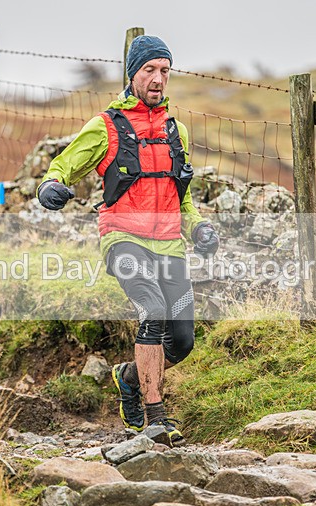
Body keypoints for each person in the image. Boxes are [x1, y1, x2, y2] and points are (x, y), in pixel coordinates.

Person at [36, 35, 219, 446]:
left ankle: (128, 376)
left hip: (169, 244)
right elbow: (63, 166)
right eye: (149, 70)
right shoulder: (106, 126)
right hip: (122, 238)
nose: (158, 79)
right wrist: (50, 186)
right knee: (152, 310)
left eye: (165, 71)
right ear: (132, 73)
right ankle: (155, 416)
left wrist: (200, 229)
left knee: (184, 341)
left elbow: (182, 199)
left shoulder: (177, 130)